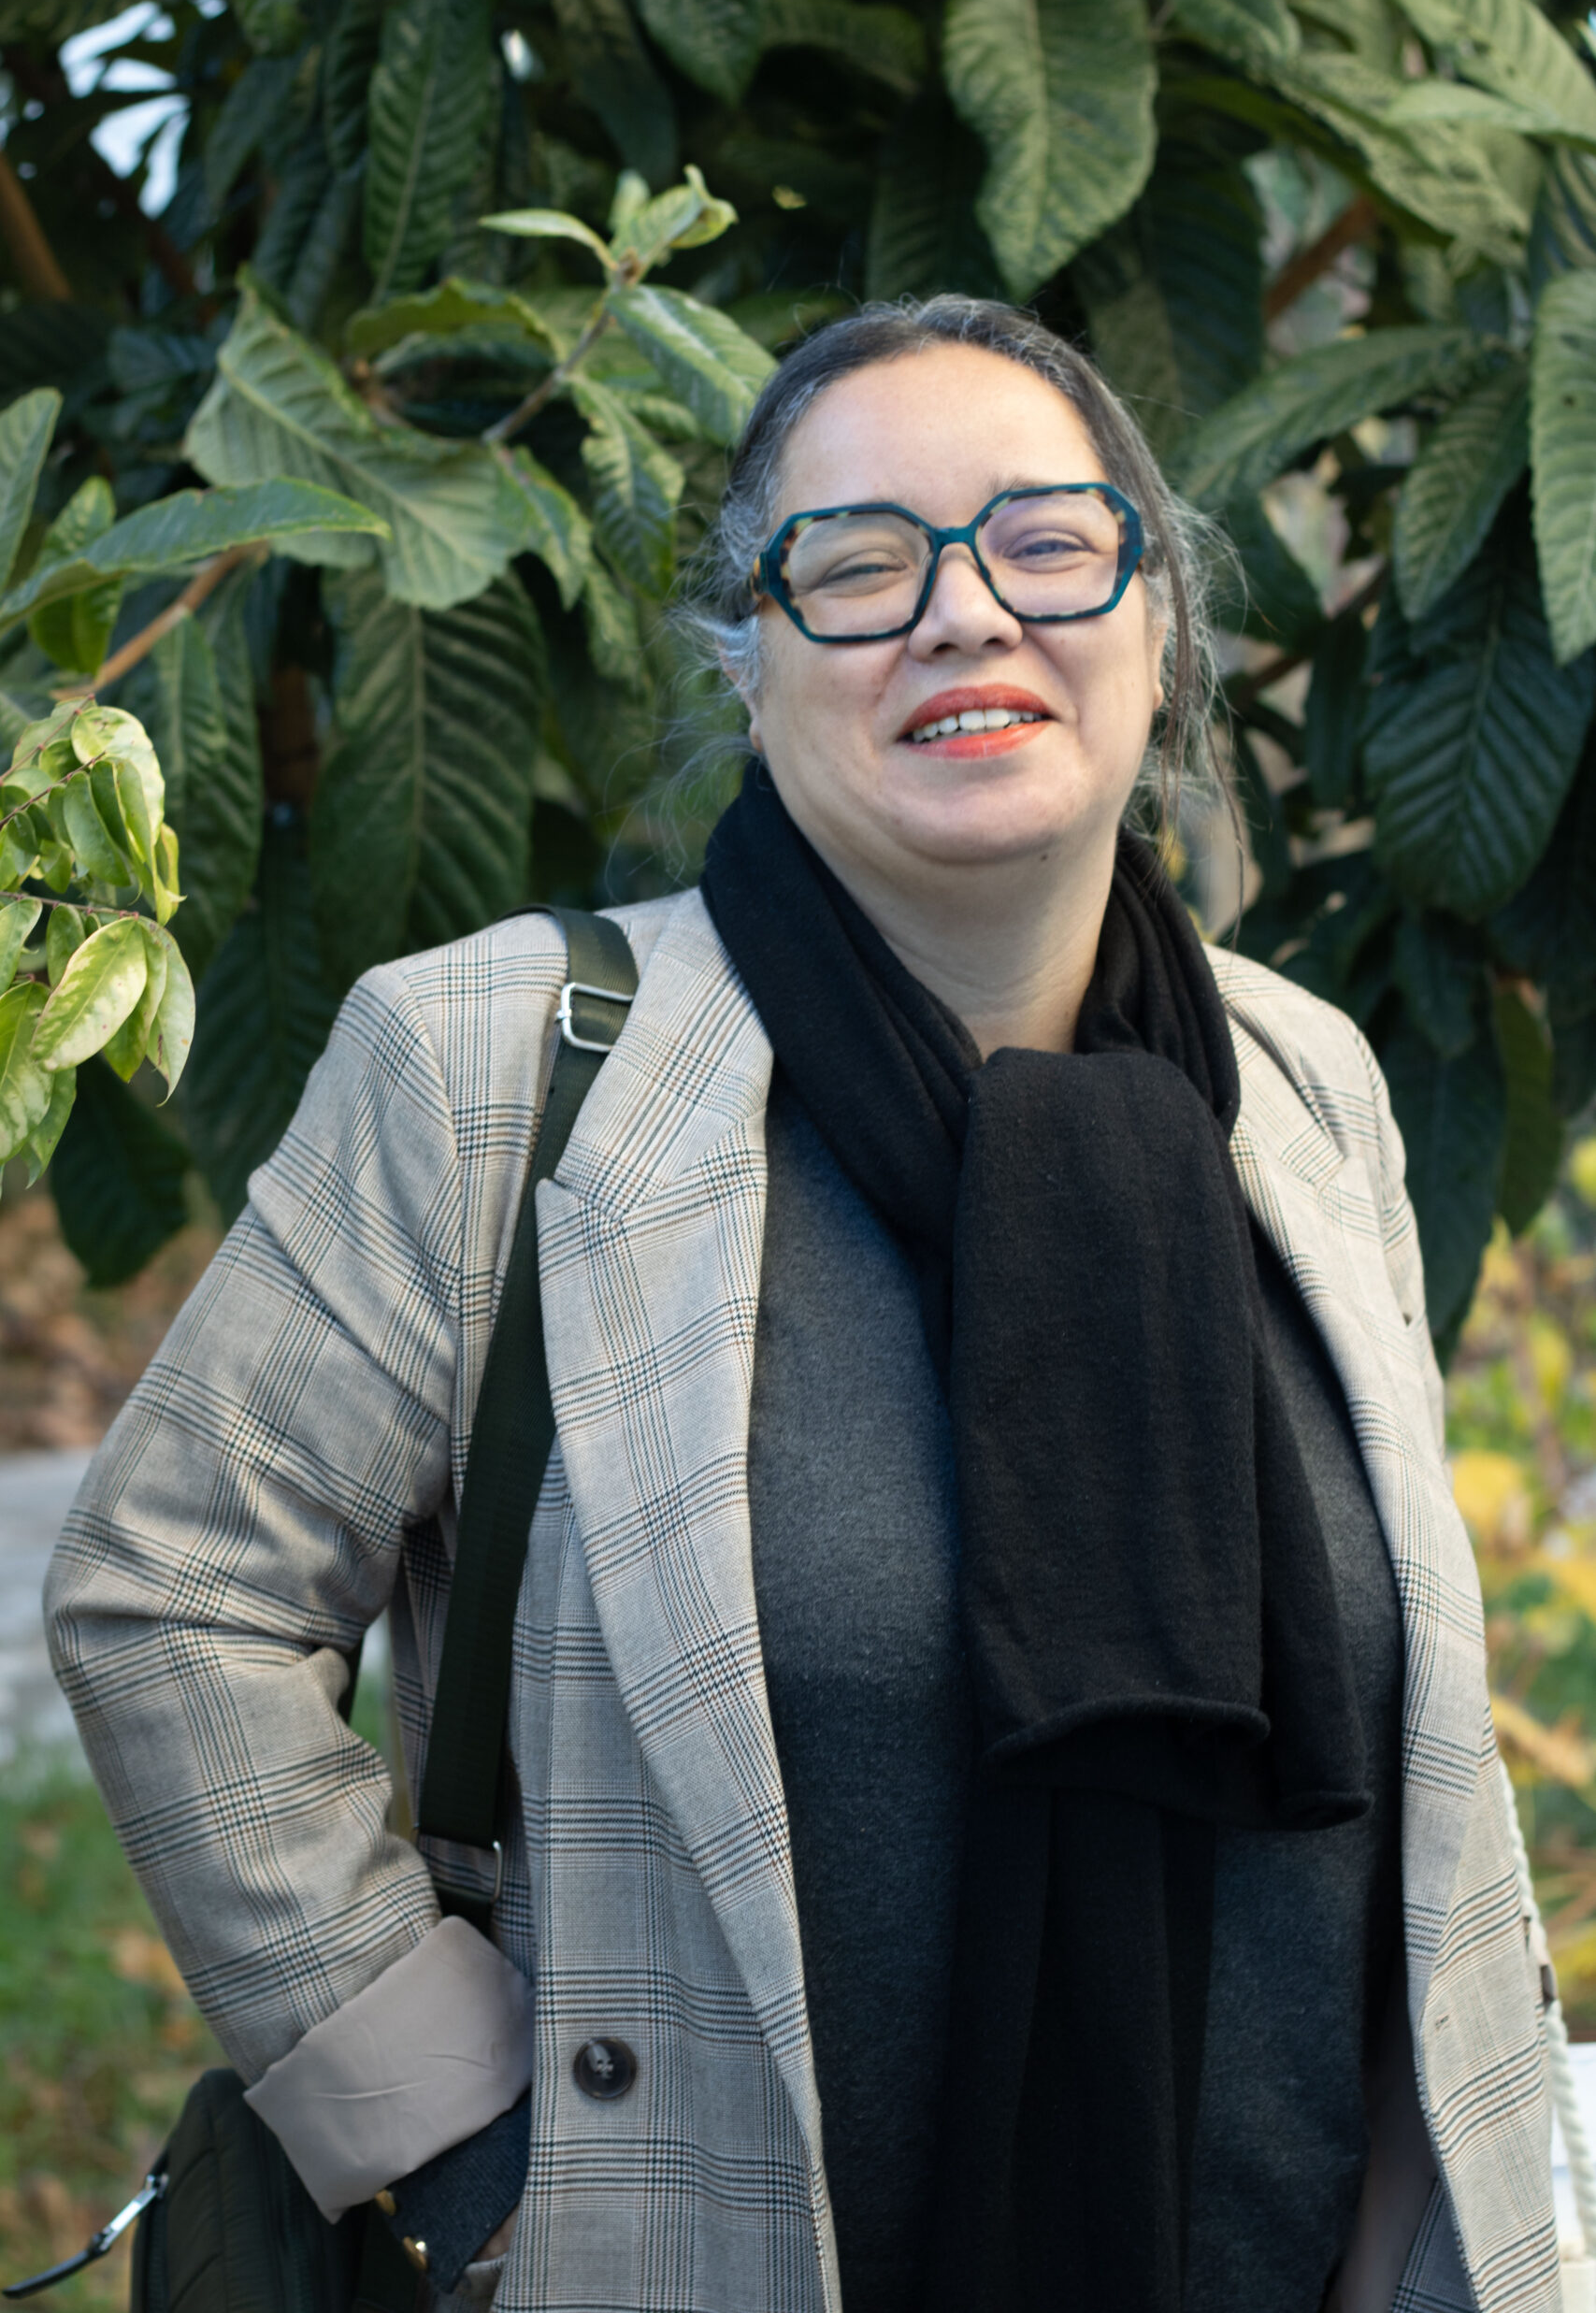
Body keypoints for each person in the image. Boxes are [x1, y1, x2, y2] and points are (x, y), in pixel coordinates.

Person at [46, 296, 1557, 2313]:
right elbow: (173, 1594)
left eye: (1044, 542)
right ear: (747, 665)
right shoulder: (496, 1064)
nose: (963, 614)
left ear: (1159, 625)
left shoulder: (1302, 1086)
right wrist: (468, 2145)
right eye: (857, 567)